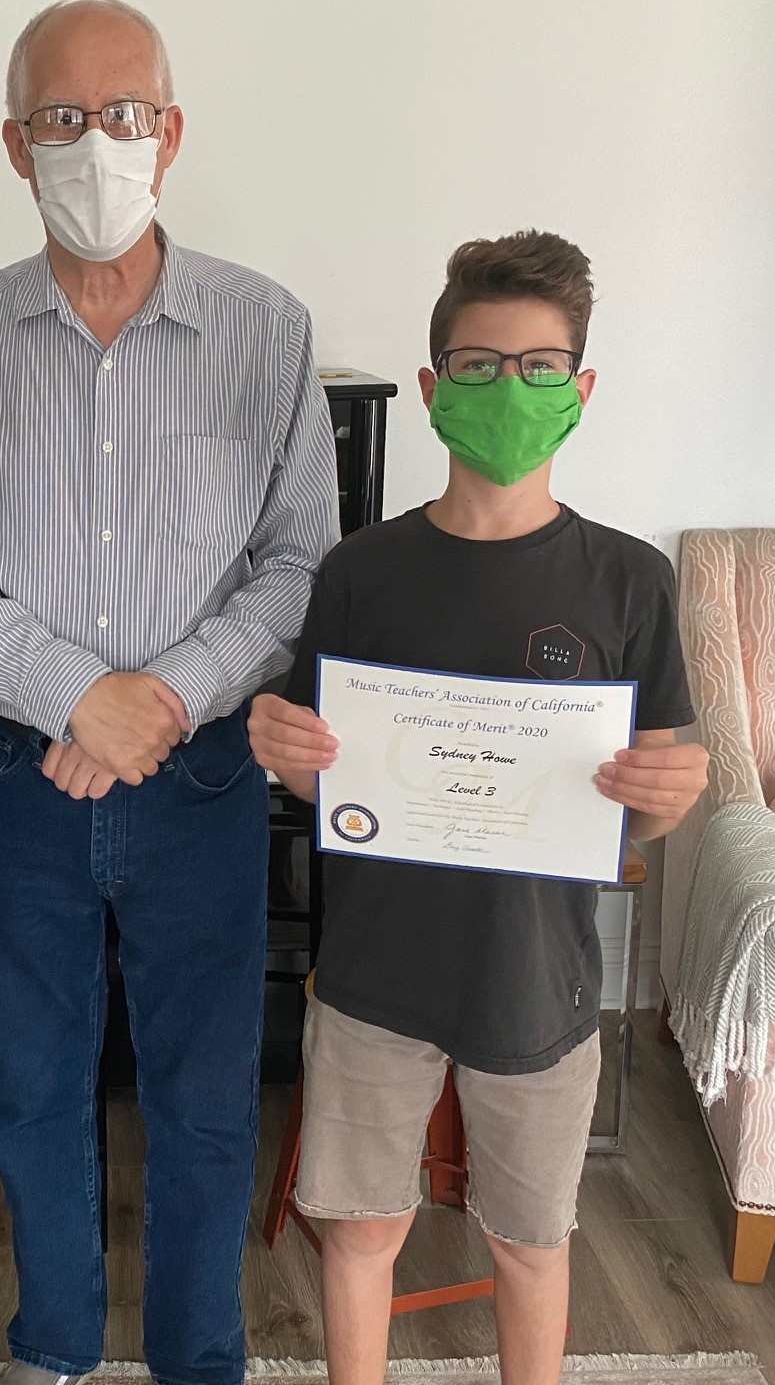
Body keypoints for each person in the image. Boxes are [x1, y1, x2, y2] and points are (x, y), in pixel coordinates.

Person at [0, 0, 339, 1385]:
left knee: (206, 1101)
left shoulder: (267, 329)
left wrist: (165, 699)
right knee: (31, 1093)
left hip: (201, 777)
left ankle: (202, 1355)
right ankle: (56, 1347)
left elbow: (298, 560)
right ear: (16, 145)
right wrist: (83, 697)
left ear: (174, 130)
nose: (99, 143)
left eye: (126, 113)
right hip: (26, 773)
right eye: (63, 118)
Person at [248, 230, 712, 1385]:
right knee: (360, 1236)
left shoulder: (630, 583)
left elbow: (641, 807)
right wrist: (283, 751)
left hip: (538, 978)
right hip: (373, 974)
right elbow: (323, 769)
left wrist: (665, 800)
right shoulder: (360, 573)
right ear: (430, 387)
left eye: (540, 367)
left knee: (531, 1244)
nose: (510, 389)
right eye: (478, 364)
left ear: (582, 389)